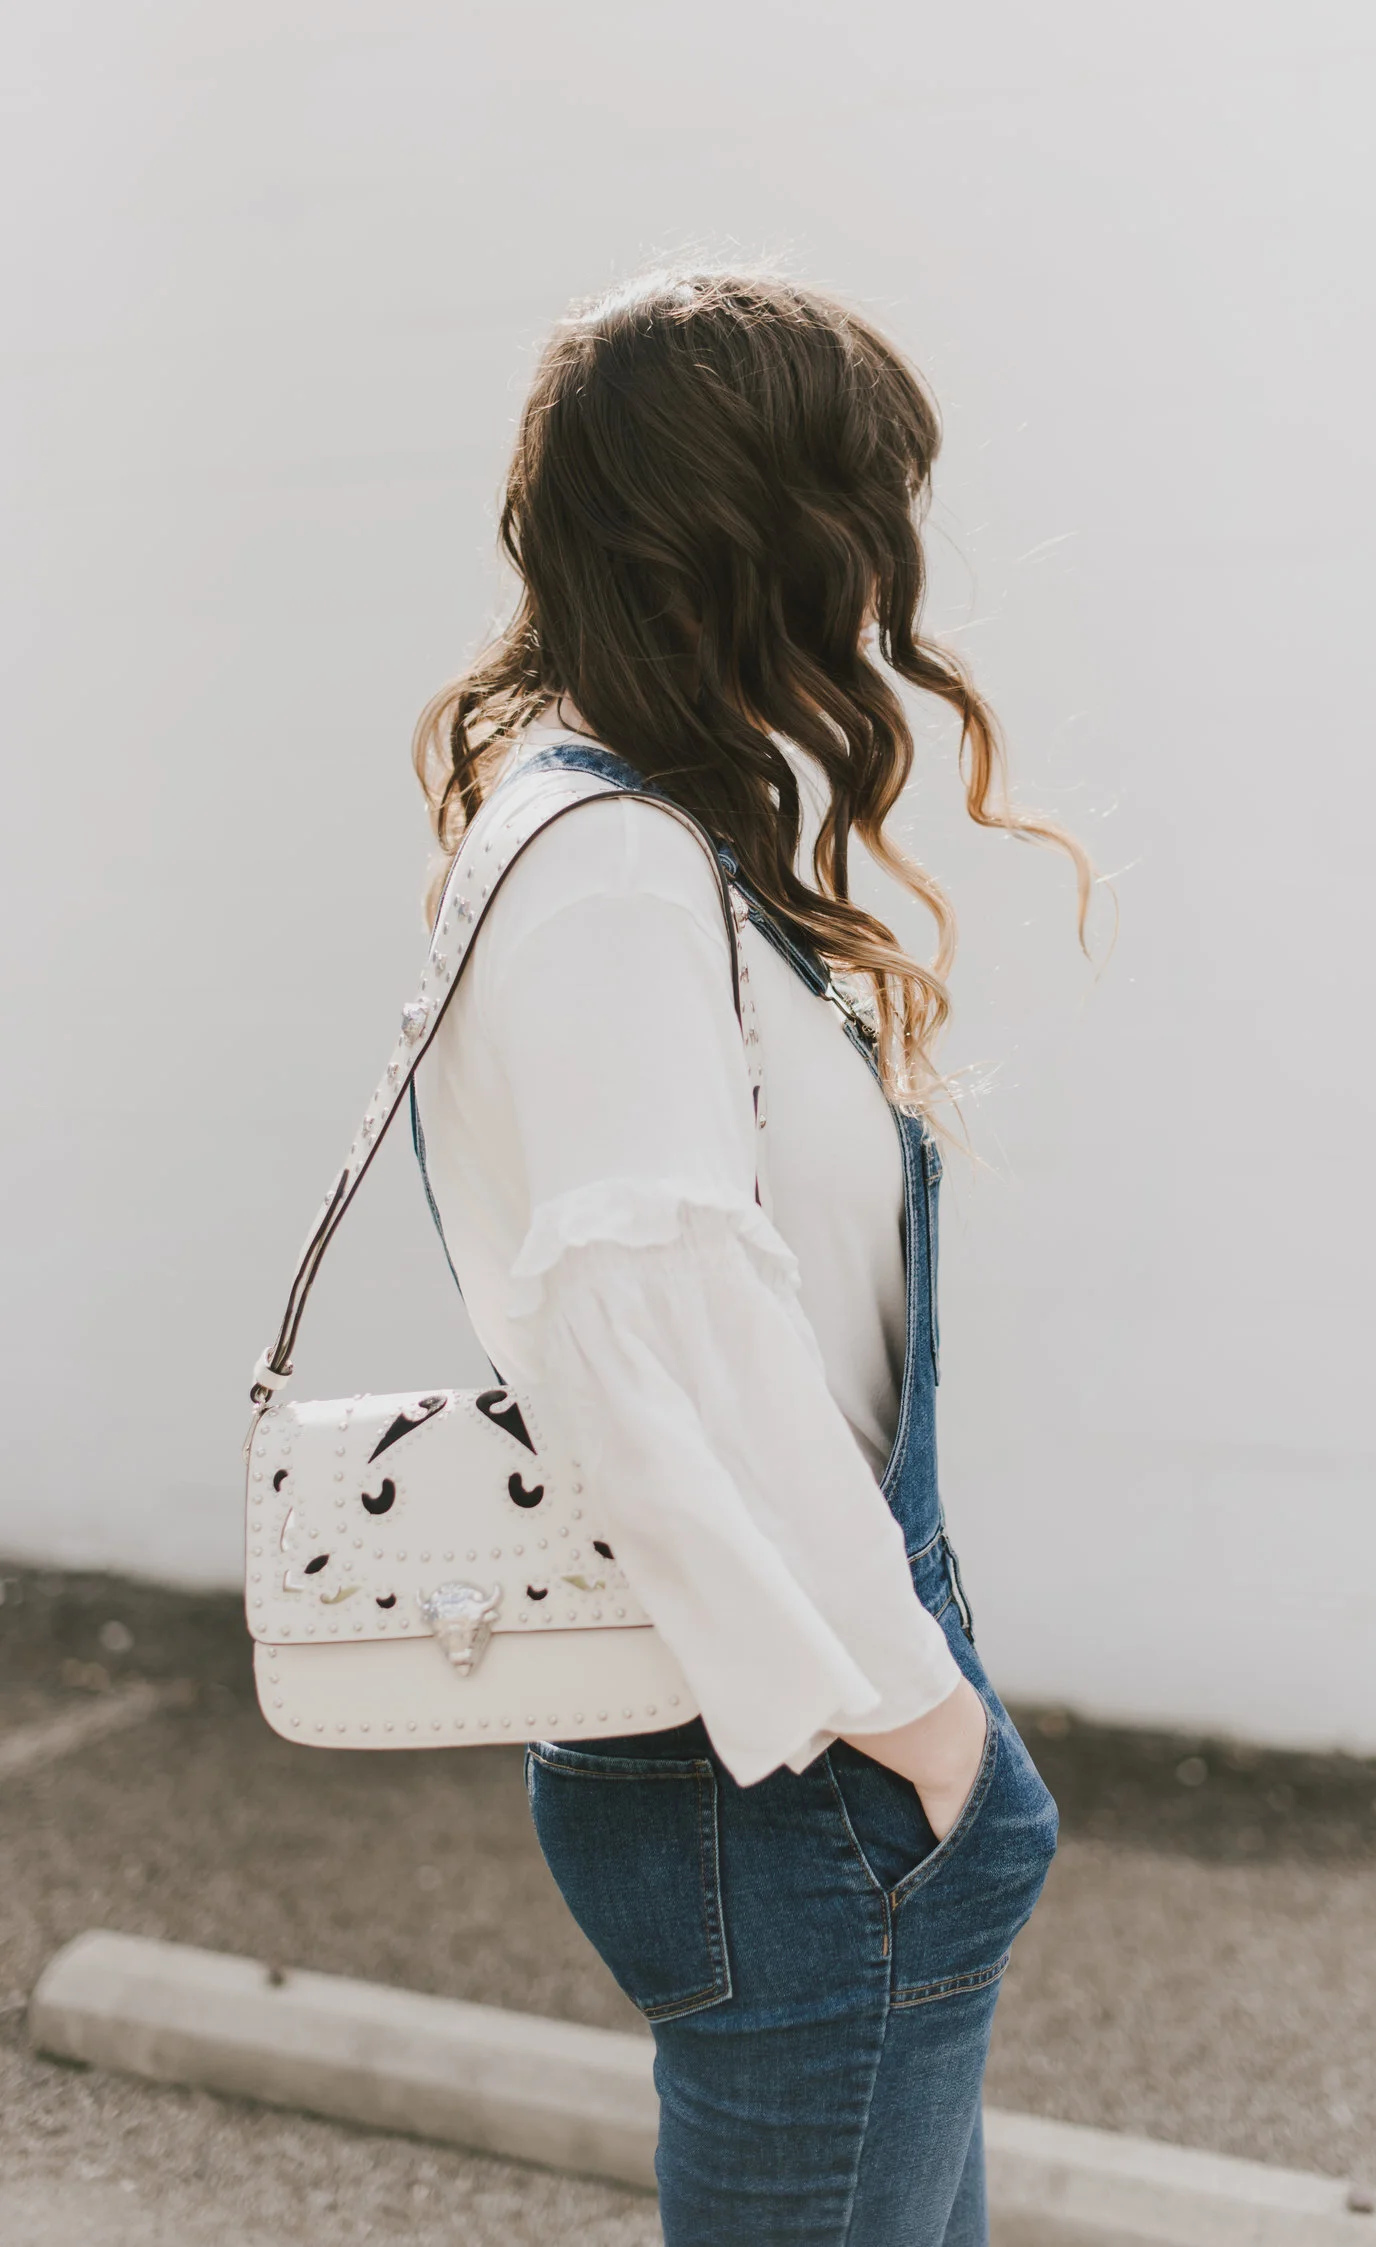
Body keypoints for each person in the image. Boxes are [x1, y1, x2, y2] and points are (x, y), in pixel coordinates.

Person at [410, 269, 1088, 2246]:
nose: (888, 573)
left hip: (799, 1742)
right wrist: (932, 1741)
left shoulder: (598, 829)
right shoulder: (607, 867)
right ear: (760, 536)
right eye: (866, 509)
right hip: (799, 1763)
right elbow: (651, 1343)